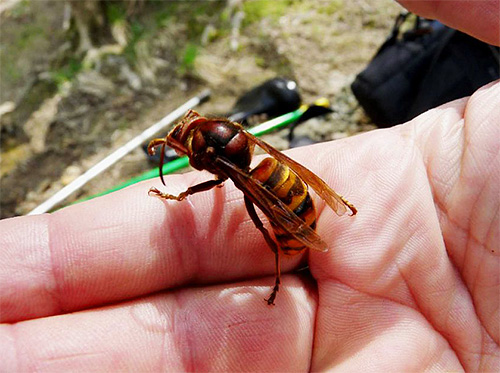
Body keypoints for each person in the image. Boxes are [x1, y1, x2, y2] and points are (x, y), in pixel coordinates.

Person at [0, 1, 498, 371]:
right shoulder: (238, 144)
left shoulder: (228, 166)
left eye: (191, 142)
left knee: (261, 214)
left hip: (282, 202)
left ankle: (281, 267)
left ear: (210, 147)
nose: (186, 147)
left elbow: (214, 179)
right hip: (275, 174)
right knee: (265, 190)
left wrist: (176, 193)